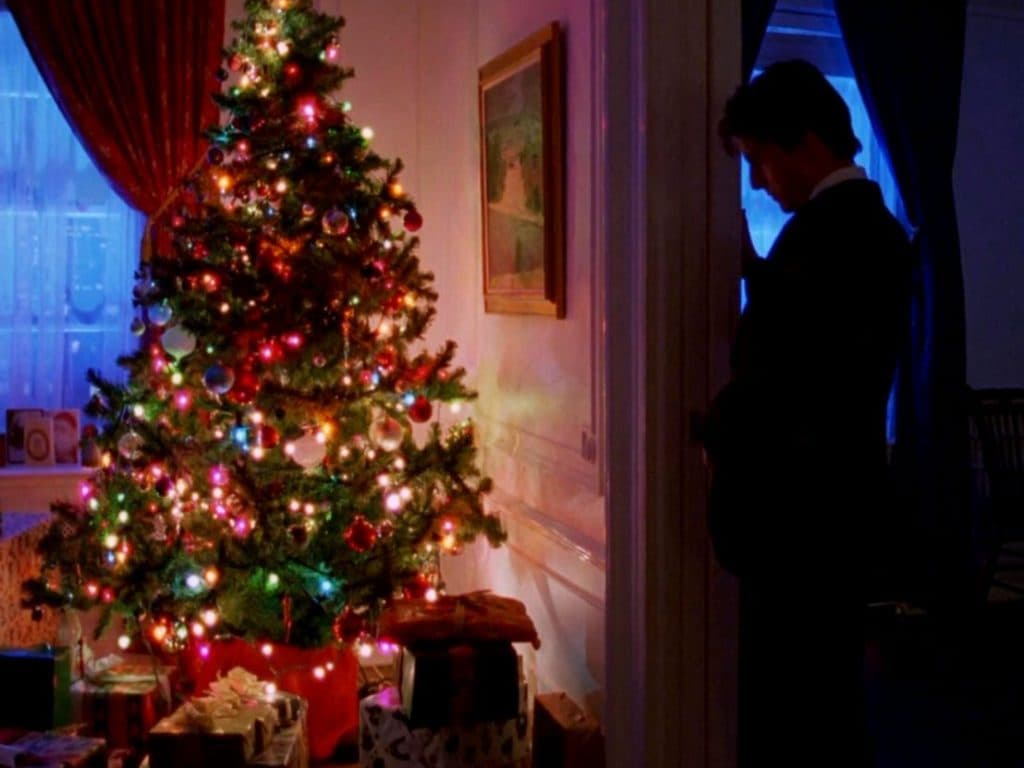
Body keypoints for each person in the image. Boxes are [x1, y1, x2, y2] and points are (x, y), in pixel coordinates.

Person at [703, 59, 912, 766]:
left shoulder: (828, 234)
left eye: (760, 160)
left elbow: (790, 376)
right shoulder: (866, 227)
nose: (760, 180)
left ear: (803, 143)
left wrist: (715, 430)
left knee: (797, 706)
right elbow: (819, 337)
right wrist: (755, 268)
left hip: (799, 514)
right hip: (835, 503)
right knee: (823, 693)